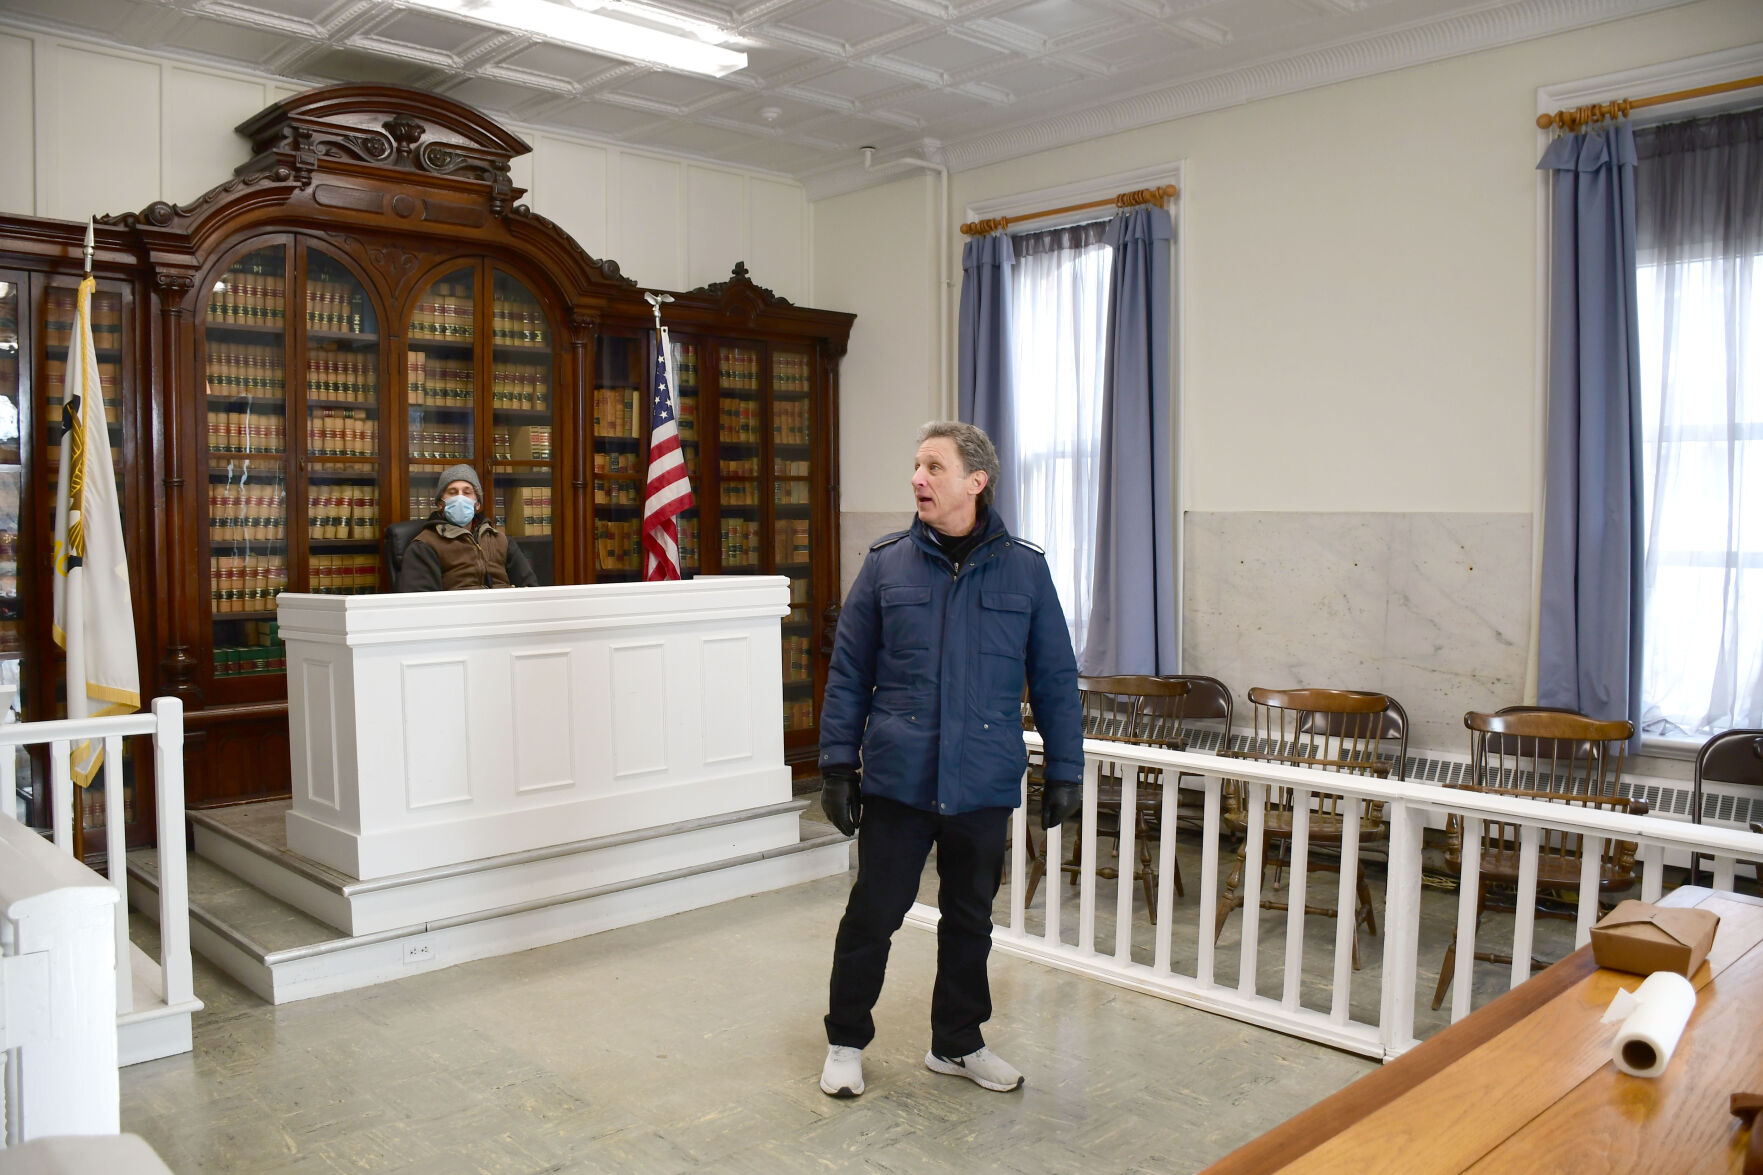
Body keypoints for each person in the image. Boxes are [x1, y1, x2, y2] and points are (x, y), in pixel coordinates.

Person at [816, 420, 1084, 1099]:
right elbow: (848, 672)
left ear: (975, 480)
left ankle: (957, 1043)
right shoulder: (885, 563)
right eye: (915, 465)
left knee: (970, 920)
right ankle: (845, 1039)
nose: (917, 478)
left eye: (933, 466)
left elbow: (1054, 675)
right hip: (900, 779)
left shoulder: (1025, 568)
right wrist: (835, 766)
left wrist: (1065, 770)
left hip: (982, 780)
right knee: (872, 915)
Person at [397, 463, 539, 592]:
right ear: (440, 503)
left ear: (477, 503)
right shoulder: (424, 546)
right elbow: (422, 606)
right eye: (452, 492)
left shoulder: (502, 542)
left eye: (467, 492)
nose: (460, 498)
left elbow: (531, 591)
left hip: (503, 615)